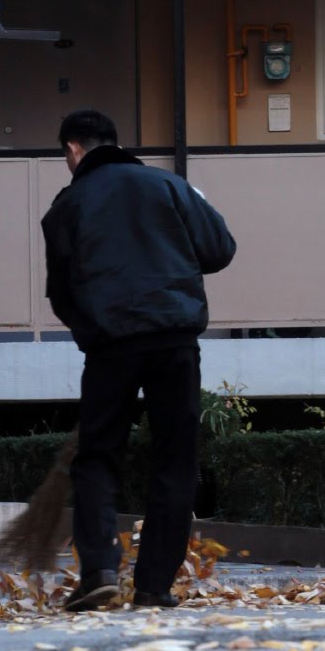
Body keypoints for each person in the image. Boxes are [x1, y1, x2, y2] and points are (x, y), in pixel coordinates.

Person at [40, 110, 236, 611]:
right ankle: (154, 585)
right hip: (174, 338)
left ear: (73, 149)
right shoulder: (168, 186)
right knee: (175, 458)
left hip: (110, 345)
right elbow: (219, 250)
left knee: (98, 457)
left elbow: (60, 293)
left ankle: (99, 570)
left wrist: (89, 330)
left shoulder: (66, 206)